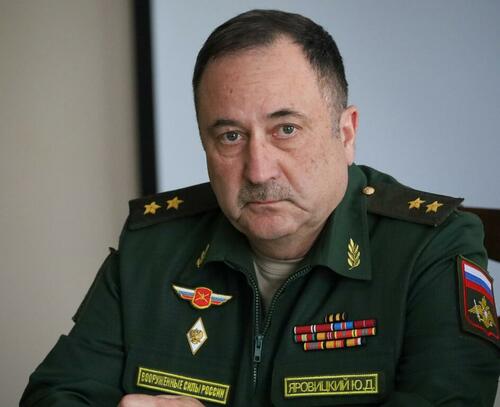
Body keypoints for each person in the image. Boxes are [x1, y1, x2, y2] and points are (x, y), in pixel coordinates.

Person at [21, 9, 499, 407]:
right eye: (230, 136)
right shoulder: (151, 247)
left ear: (346, 133)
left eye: (286, 129)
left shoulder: (431, 247)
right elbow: (55, 394)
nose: (258, 170)